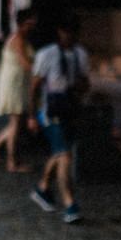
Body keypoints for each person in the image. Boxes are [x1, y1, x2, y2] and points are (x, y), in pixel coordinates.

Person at [28, 20, 91, 224]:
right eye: (66, 31)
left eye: (73, 32)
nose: (69, 36)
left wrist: (80, 88)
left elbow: (85, 83)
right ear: (59, 31)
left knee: (60, 153)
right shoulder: (47, 55)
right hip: (51, 111)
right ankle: (69, 203)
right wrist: (32, 115)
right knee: (64, 156)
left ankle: (43, 187)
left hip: (70, 109)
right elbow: (35, 87)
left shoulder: (80, 55)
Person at [0, 12, 36, 171]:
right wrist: (42, 73)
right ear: (20, 24)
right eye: (28, 24)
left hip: (18, 83)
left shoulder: (23, 39)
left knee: (17, 123)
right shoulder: (18, 40)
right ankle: (12, 162)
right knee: (16, 123)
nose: (31, 28)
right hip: (13, 84)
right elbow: (25, 63)